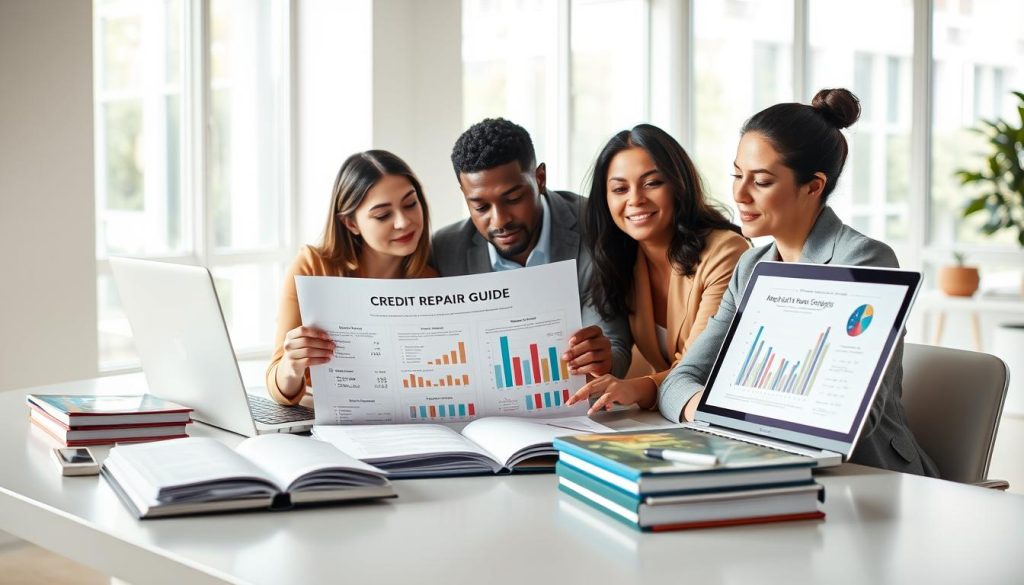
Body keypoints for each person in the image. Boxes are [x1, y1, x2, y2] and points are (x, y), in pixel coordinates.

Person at [658, 88, 938, 476]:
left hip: (868, 475)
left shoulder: (864, 260)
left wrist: (737, 411)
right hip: (764, 460)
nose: (739, 194)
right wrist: (712, 410)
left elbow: (856, 416)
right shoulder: (749, 266)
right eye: (737, 175)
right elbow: (678, 383)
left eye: (762, 181)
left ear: (813, 186)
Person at [566, 124, 749, 414]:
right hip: (673, 415)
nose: (635, 199)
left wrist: (635, 388)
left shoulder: (726, 252)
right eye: (620, 189)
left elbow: (699, 368)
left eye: (652, 183)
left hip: (724, 411)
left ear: (678, 185)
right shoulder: (623, 260)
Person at [432, 118, 631, 378]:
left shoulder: (595, 227)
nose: (500, 220)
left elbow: (614, 344)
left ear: (540, 179)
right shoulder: (445, 249)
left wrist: (603, 359)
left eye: (513, 199)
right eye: (480, 207)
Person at [266, 150, 436, 405]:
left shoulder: (429, 281)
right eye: (382, 215)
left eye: (411, 204)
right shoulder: (312, 268)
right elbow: (280, 391)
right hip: (320, 421)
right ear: (351, 224)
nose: (403, 222)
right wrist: (292, 365)